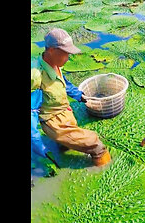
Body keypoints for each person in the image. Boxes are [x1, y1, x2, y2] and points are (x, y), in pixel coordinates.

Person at [31, 28, 111, 169]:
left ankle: (63, 150)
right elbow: (32, 111)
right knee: (96, 145)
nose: (68, 58)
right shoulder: (36, 76)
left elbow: (64, 84)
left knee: (65, 146)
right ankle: (106, 170)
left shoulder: (55, 64)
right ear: (51, 50)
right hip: (54, 123)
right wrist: (37, 143)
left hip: (65, 113)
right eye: (65, 53)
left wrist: (81, 97)